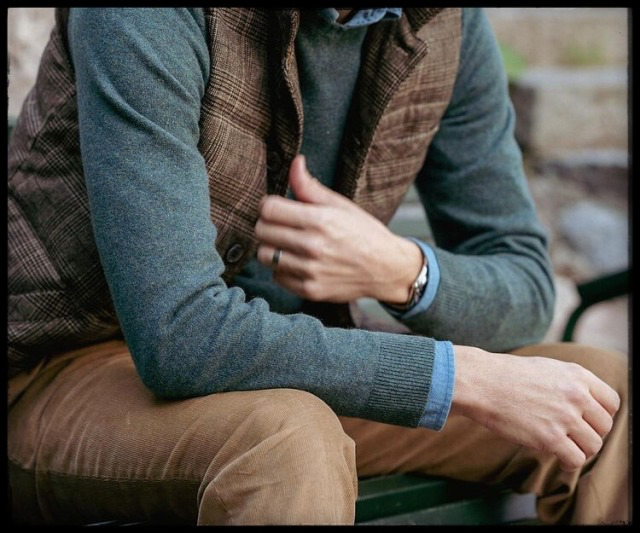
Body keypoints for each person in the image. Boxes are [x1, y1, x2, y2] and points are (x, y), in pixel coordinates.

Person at [7, 7, 628, 525]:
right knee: (285, 440)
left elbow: (526, 288)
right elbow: (179, 336)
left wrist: (400, 270)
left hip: (300, 366)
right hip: (65, 367)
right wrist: (459, 376)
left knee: (606, 398)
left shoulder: (443, 21)